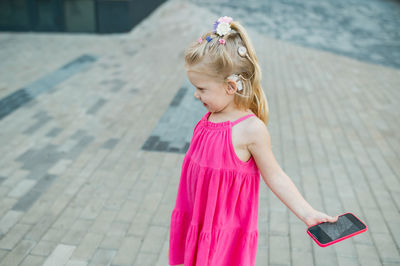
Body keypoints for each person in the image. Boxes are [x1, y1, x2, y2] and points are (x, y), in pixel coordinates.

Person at [168, 16, 338, 266]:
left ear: (230, 86)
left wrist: (307, 212)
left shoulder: (251, 130)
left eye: (202, 89)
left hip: (222, 236)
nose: (196, 95)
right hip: (199, 222)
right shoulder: (208, 119)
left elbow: (275, 175)